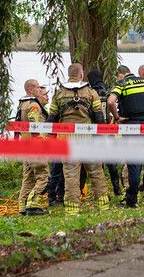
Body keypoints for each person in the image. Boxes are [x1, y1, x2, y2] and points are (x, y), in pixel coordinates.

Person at [47, 63, 110, 216]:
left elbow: (51, 120)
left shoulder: (59, 93)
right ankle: (103, 205)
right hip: (88, 138)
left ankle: (72, 208)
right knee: (96, 171)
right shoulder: (91, 92)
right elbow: (99, 119)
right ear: (81, 75)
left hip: (66, 139)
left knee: (70, 174)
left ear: (69, 75)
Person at [107, 65, 144, 208]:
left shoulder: (122, 84)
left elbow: (110, 101)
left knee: (134, 164)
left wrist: (117, 117)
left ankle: (132, 200)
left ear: (121, 75)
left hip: (131, 126)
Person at [17, 79, 50, 216]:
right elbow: (36, 126)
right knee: (43, 176)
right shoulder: (34, 106)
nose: (39, 89)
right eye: (37, 87)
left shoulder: (22, 104)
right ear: (30, 89)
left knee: (28, 178)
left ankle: (22, 206)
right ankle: (33, 203)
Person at [87, 69, 122, 196]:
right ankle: (117, 188)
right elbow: (113, 108)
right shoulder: (109, 92)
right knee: (111, 162)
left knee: (98, 162)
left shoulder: (90, 93)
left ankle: (101, 191)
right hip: (109, 129)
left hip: (95, 131)